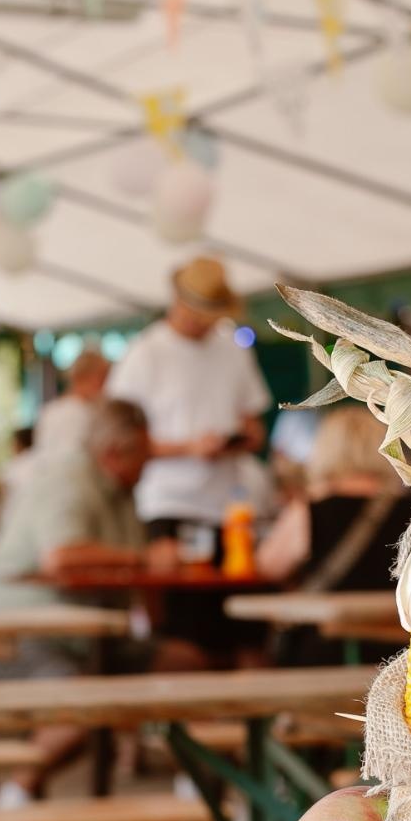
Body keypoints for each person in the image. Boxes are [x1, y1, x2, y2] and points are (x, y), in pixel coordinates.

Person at [0, 400, 162, 821]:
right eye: (144, 455)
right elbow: (61, 557)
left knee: (186, 664)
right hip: (22, 628)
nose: (150, 464)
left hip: (88, 629)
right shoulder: (69, 477)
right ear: (117, 452)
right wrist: (142, 558)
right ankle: (15, 796)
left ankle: (199, 790)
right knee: (85, 707)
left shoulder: (118, 487)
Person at [106, 255, 271, 661]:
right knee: (181, 629)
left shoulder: (231, 350)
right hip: (168, 503)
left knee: (232, 626)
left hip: (228, 506)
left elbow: (254, 420)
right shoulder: (146, 353)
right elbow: (120, 439)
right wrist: (189, 448)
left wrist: (242, 437)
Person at [256, 407, 411, 664]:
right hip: (402, 651)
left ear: (324, 450)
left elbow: (268, 567)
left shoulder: (310, 508)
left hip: (325, 650)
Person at [35, 349, 110, 455]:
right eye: (103, 378)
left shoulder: (50, 410)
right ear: (87, 377)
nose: (106, 387)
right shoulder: (83, 414)